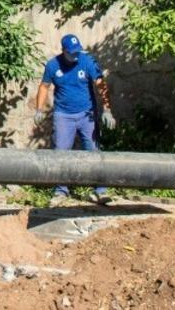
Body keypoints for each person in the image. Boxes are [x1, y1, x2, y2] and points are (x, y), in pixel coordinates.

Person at [34, 33, 117, 206]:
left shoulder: (87, 61)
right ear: (63, 50)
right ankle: (60, 191)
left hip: (87, 114)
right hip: (63, 115)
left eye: (77, 51)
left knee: (93, 150)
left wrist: (107, 110)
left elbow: (100, 83)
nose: (75, 55)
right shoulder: (53, 65)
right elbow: (44, 86)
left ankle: (100, 191)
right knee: (61, 153)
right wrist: (39, 109)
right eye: (71, 52)